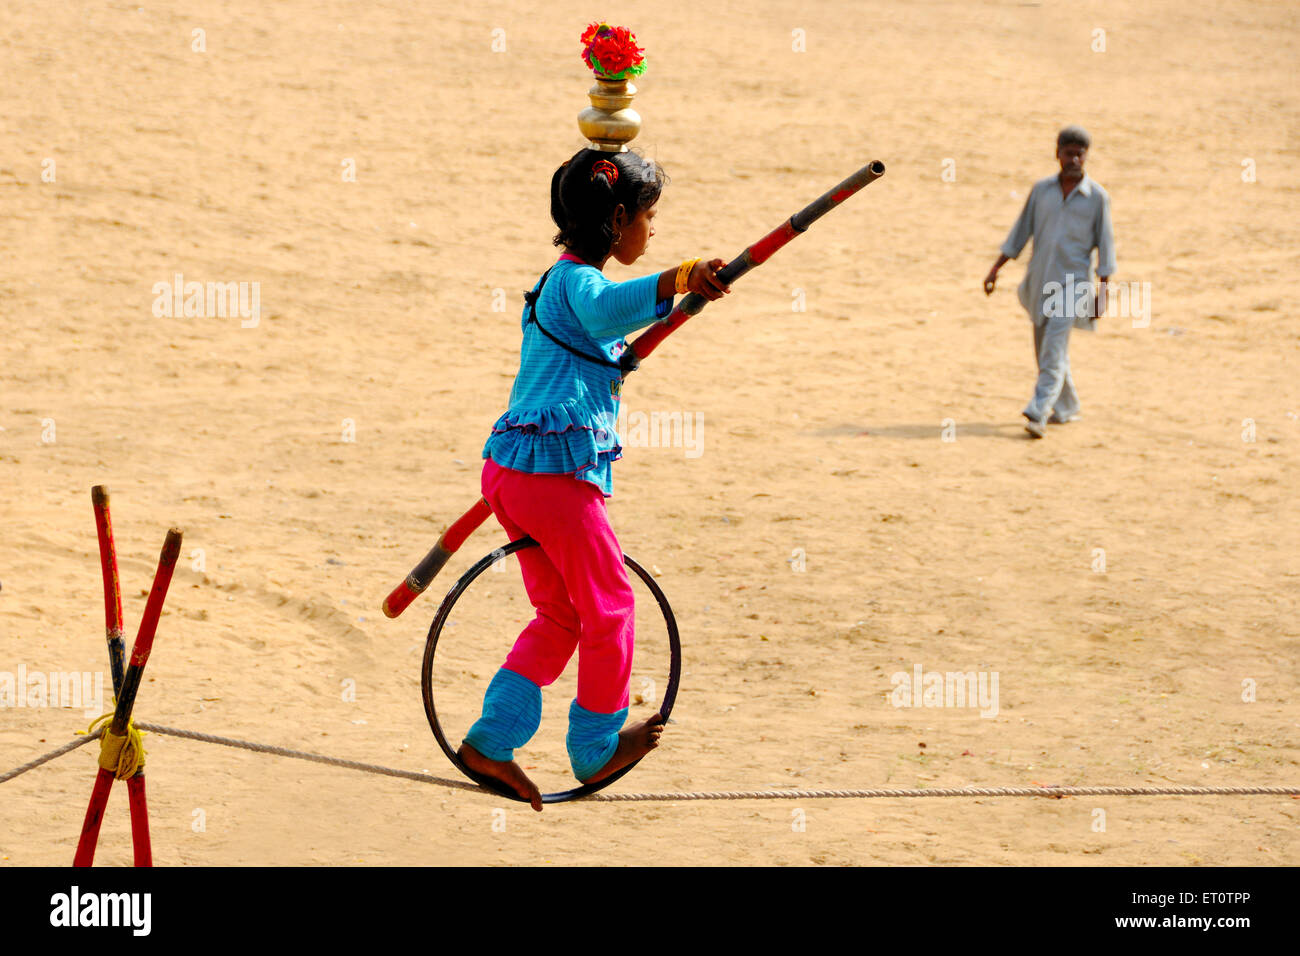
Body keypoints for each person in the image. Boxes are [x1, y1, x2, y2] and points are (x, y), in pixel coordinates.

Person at [459, 148, 731, 810]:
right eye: (649, 216)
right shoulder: (578, 285)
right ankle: (595, 749)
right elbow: (614, 310)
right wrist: (680, 276)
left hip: (513, 474)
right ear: (617, 218)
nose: (653, 229)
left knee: (561, 613)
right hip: (551, 476)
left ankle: (491, 743)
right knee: (612, 606)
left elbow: (619, 327)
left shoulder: (563, 284)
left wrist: (686, 297)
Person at [984, 125, 1116, 438]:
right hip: (1039, 282)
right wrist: (995, 269)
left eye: (1079, 154)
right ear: (1057, 154)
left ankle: (1038, 411)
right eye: (1068, 153)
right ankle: (1068, 407)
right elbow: (1020, 232)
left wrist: (1103, 292)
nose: (1074, 159)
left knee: (1052, 351)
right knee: (1047, 350)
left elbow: (1106, 246)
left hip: (1074, 287)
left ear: (1086, 157)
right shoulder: (1041, 191)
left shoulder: (1097, 198)